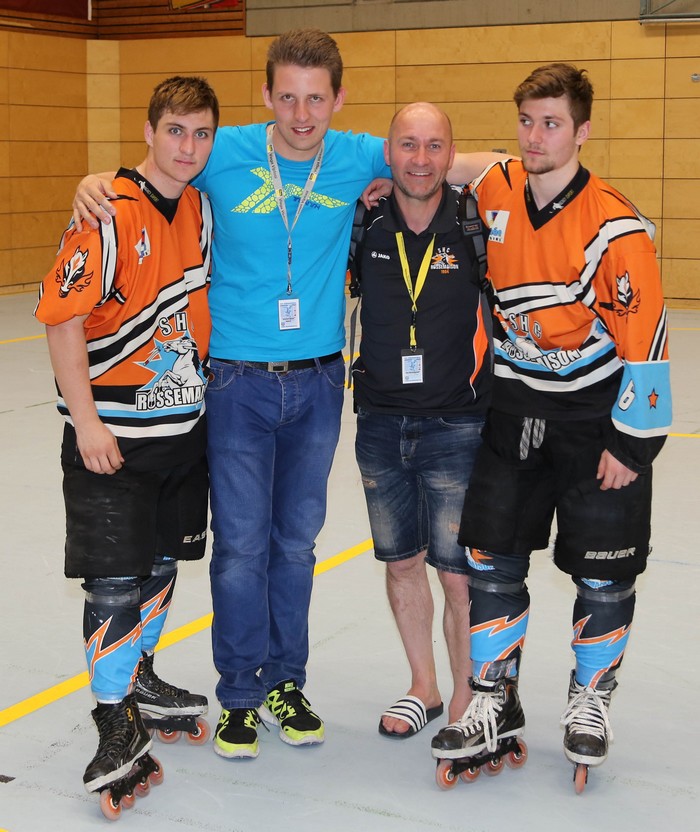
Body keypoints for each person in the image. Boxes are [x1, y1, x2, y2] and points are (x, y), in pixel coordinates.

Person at [71, 29, 501, 761]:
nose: (303, 115)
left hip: (320, 381)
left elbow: (460, 162)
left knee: (295, 546)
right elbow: (157, 167)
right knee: (242, 547)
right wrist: (93, 182)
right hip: (236, 383)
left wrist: (524, 170)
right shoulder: (225, 151)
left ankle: (285, 684)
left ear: (338, 99)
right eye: (289, 98)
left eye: (317, 99)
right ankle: (240, 693)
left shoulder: (360, 154)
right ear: (267, 95)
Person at [429, 63, 671, 785]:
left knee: (604, 573)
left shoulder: (616, 226)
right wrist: (382, 176)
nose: (536, 137)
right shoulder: (498, 183)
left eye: (553, 124)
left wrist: (632, 443)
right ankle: (494, 699)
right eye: (528, 122)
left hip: (595, 423)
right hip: (514, 414)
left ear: (582, 131)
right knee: (491, 558)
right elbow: (436, 157)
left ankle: (589, 700)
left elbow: (649, 342)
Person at [35, 75, 218, 801]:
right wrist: (86, 422)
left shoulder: (199, 207)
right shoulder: (107, 211)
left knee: (161, 562)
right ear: (148, 132)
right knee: (114, 578)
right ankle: (113, 716)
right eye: (175, 131)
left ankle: (137, 675)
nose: (188, 147)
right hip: (112, 435)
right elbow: (61, 319)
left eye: (201, 134)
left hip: (183, 432)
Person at [351, 103, 490, 739]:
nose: (421, 159)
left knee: (457, 572)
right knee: (402, 562)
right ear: (388, 152)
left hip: (459, 424)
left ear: (452, 154)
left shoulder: (475, 220)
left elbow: (515, 164)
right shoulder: (364, 218)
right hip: (380, 422)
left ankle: (465, 697)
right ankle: (424, 686)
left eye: (435, 146)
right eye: (408, 145)